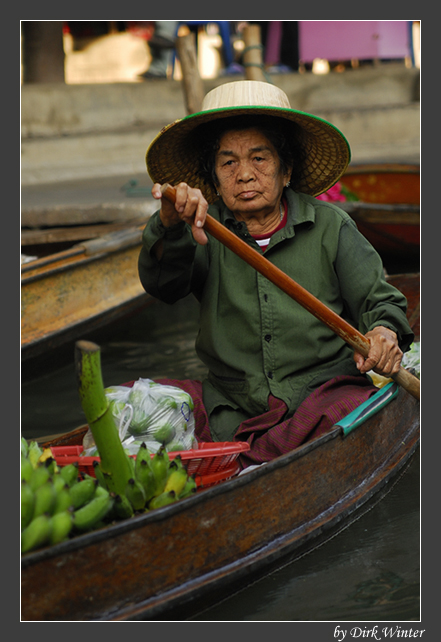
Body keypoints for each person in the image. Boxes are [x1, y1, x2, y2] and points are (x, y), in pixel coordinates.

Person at [138, 80, 414, 469]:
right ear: (214, 179)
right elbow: (163, 287)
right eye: (228, 162)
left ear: (286, 170)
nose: (245, 175)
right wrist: (168, 224)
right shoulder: (202, 229)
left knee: (346, 412)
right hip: (232, 404)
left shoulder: (329, 225)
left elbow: (379, 301)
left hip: (321, 394)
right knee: (142, 407)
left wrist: (383, 334)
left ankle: (247, 465)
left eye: (260, 158)